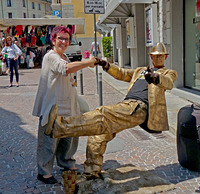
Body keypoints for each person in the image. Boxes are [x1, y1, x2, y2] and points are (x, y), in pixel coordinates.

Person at [45, 42, 178, 179]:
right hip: (127, 104)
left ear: (166, 57)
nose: (158, 59)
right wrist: (106, 65)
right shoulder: (140, 70)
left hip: (139, 107)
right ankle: (91, 173)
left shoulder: (168, 72)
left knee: (104, 114)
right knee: (98, 134)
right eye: (156, 56)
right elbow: (122, 73)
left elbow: (169, 82)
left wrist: (156, 78)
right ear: (151, 56)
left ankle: (60, 126)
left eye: (161, 56)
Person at [32, 26, 97, 184]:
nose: (64, 41)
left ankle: (66, 162)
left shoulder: (65, 56)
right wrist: (87, 62)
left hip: (68, 105)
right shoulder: (51, 56)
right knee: (49, 140)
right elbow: (65, 69)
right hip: (53, 107)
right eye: (60, 38)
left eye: (66, 39)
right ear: (53, 40)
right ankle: (44, 172)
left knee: (68, 138)